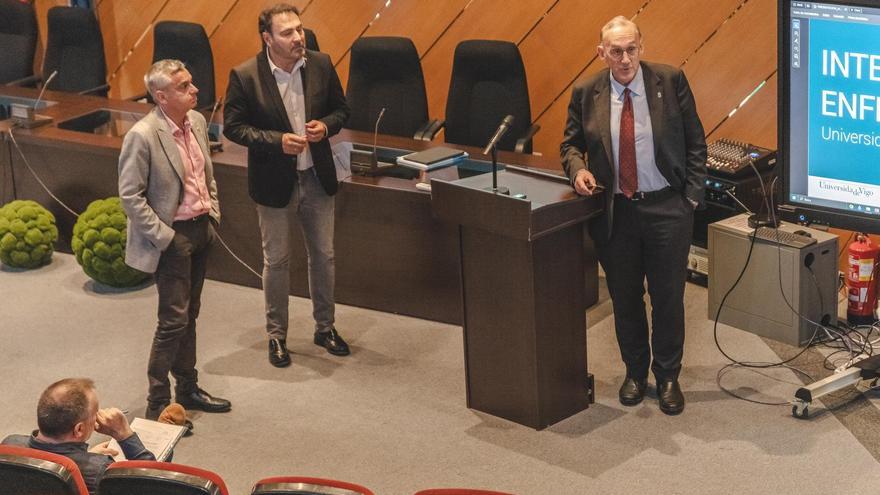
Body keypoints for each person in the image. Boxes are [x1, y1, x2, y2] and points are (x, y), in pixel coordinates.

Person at [560, 16, 707, 415]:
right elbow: (570, 145)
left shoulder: (670, 80)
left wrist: (690, 198)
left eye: (631, 49)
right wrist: (578, 170)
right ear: (602, 52)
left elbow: (696, 140)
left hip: (667, 208)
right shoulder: (587, 91)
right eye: (615, 51)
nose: (624, 59)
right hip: (616, 211)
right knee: (625, 297)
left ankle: (668, 375)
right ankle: (635, 372)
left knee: (668, 298)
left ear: (641, 46)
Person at [224, 3, 352, 368]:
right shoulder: (245, 75)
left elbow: (342, 110)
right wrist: (275, 140)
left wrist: (326, 126)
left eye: (299, 29)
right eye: (288, 32)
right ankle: (276, 336)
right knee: (277, 261)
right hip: (273, 181)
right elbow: (233, 127)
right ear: (268, 38)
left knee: (324, 257)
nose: (299, 38)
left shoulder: (322, 63)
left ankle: (324, 328)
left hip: (317, 175)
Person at [119, 59, 231, 419]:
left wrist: (212, 210)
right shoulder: (142, 135)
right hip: (172, 238)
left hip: (201, 230)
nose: (194, 90)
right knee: (172, 321)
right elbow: (130, 196)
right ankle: (157, 405)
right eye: (184, 87)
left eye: (191, 82)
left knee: (191, 315)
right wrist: (165, 238)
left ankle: (187, 388)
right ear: (161, 96)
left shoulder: (196, 121)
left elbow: (204, 173)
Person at [2, 378, 156, 494]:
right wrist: (124, 435)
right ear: (79, 429)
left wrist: (85, 456)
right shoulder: (99, 471)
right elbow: (151, 487)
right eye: (95, 413)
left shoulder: (9, 445)